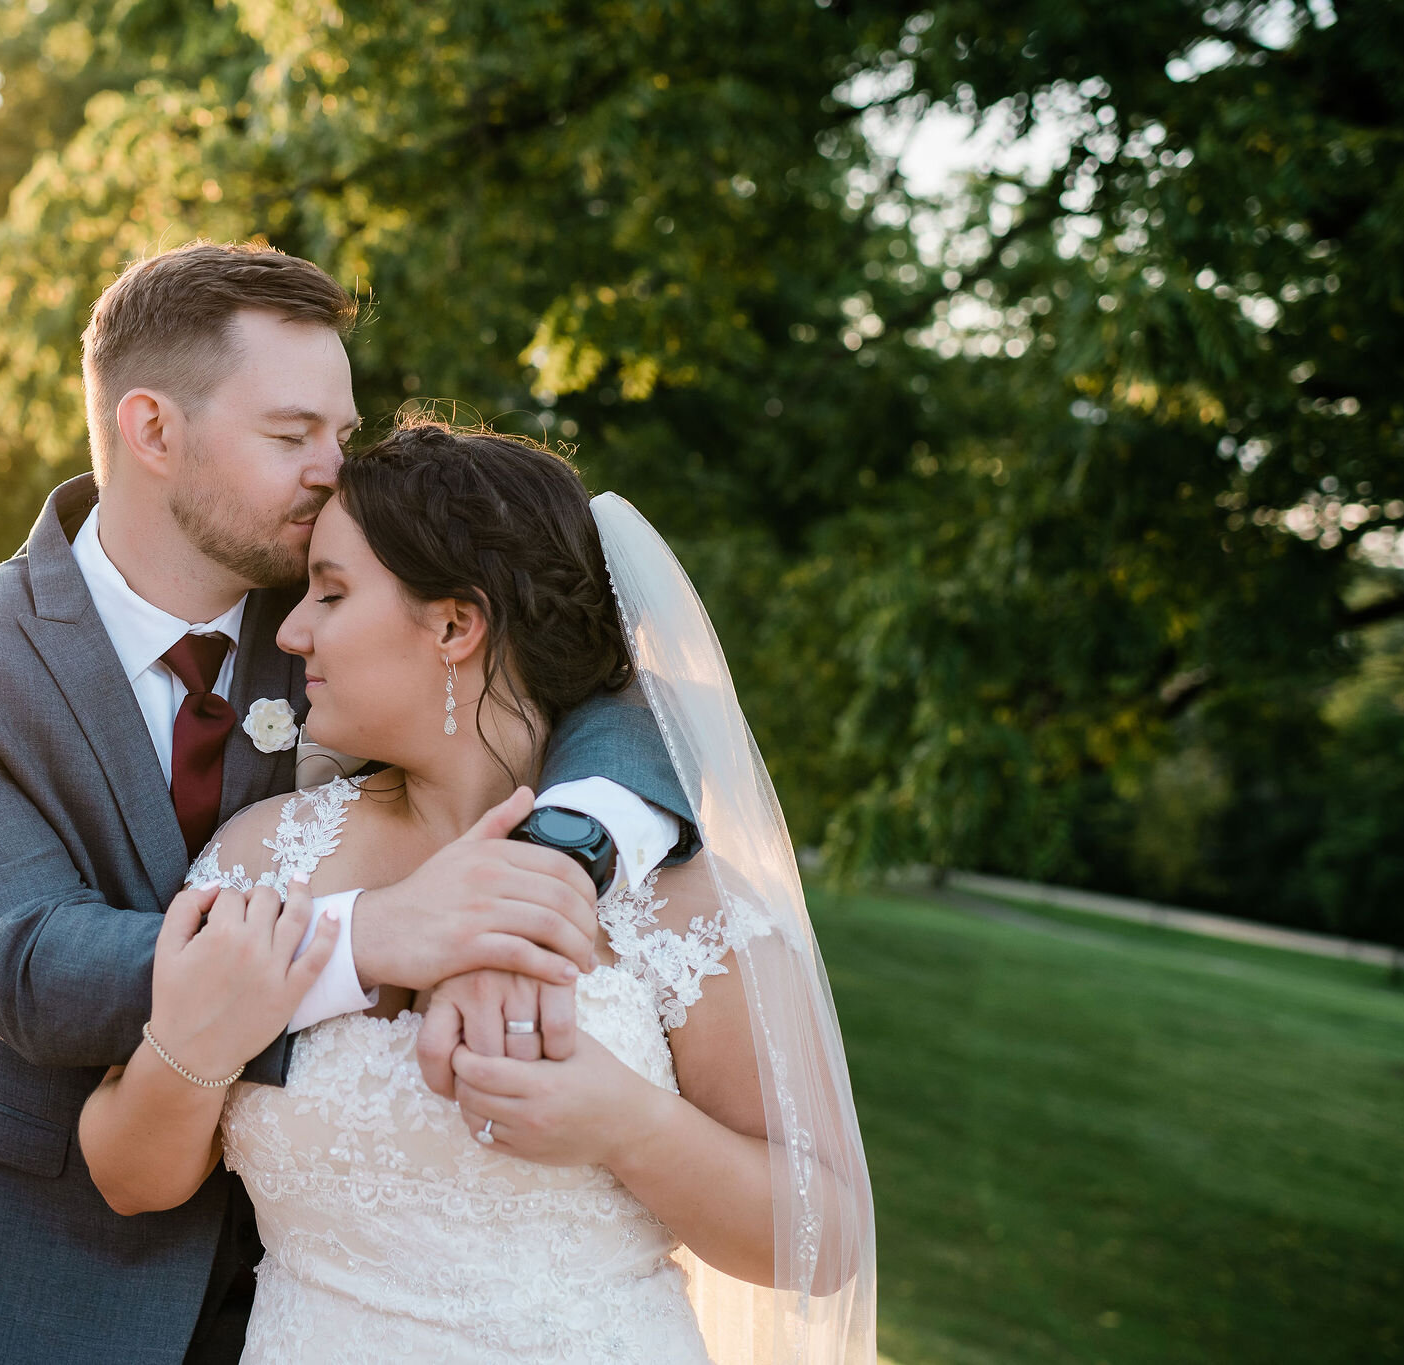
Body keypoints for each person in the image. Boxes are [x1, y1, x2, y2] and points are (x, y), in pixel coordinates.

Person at [0, 243, 697, 1363]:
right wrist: (380, 933)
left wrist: (538, 874)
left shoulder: (354, 604)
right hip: (55, 1272)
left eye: (339, 437)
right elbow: (31, 965)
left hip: (337, 1289)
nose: (330, 472)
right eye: (292, 437)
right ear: (152, 431)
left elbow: (608, 706)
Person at [78, 421, 878, 1363]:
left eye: (331, 593)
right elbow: (134, 1176)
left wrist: (628, 1123)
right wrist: (204, 1036)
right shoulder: (267, 855)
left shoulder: (680, 900)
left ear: (456, 624)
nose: (290, 631)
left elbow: (826, 1236)